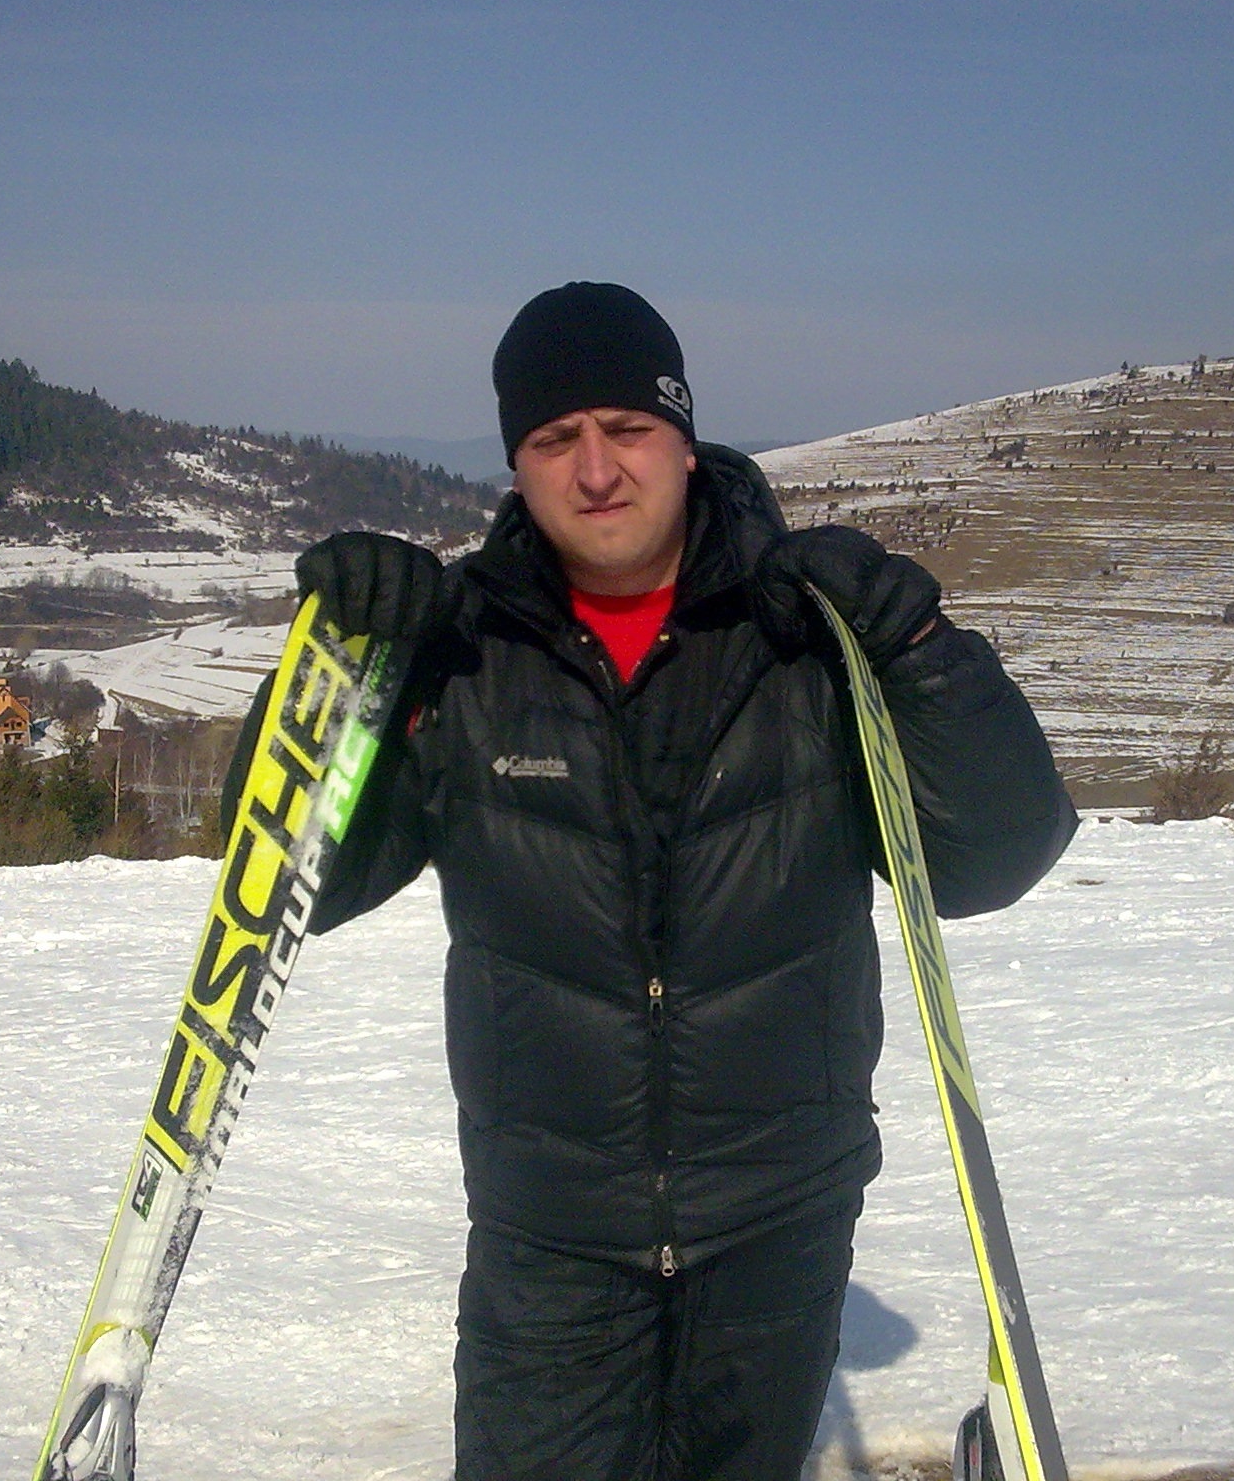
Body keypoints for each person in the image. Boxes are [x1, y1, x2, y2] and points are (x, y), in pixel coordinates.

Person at [223, 282, 1077, 1480]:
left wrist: (921, 652)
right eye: (553, 440)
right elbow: (290, 885)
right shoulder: (463, 653)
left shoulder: (804, 637)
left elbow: (994, 857)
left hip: (778, 1220)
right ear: (515, 465)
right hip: (549, 1232)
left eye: (625, 429)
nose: (594, 471)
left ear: (682, 438)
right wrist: (337, 675)